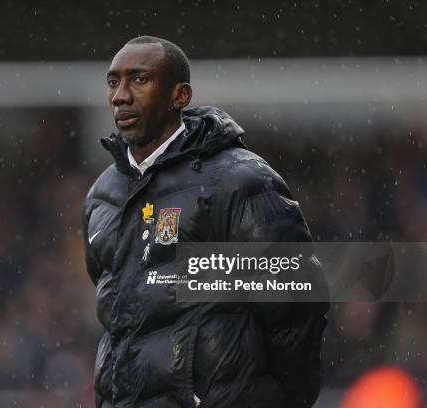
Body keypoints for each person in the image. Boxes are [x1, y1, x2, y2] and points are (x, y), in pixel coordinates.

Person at [82, 36, 328, 408]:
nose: (121, 96)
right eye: (114, 82)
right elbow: (118, 322)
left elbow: (295, 305)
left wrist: (283, 399)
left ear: (180, 96)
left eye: (139, 80)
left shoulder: (239, 181)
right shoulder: (103, 195)